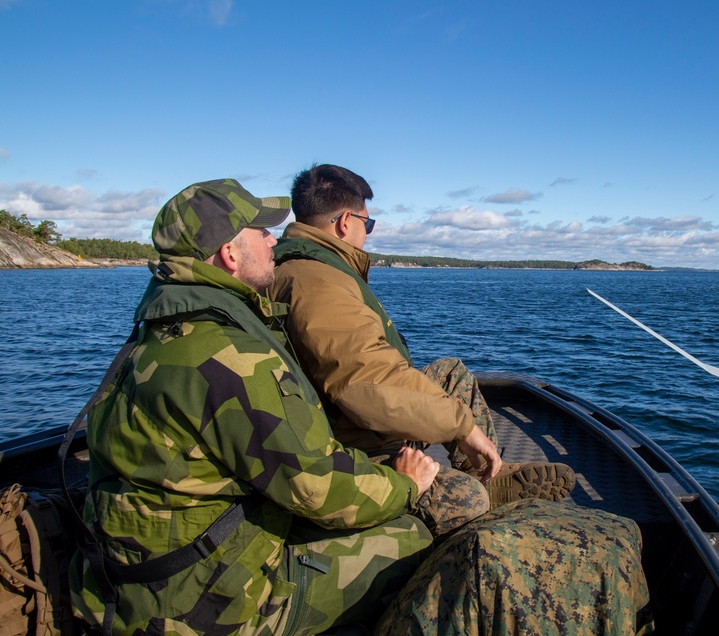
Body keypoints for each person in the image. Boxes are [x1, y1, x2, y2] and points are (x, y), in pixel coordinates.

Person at [71, 179, 438, 636]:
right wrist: (404, 485)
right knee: (412, 540)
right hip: (202, 608)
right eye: (261, 233)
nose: (273, 241)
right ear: (229, 254)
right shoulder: (228, 356)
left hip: (127, 585)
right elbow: (317, 490)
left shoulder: (159, 329)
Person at [269, 164, 576, 514]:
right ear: (345, 222)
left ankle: (488, 472)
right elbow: (365, 386)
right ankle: (480, 495)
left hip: (349, 416)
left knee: (450, 373)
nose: (368, 233)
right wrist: (463, 427)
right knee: (466, 500)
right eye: (367, 224)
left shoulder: (306, 266)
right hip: (354, 439)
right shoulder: (319, 283)